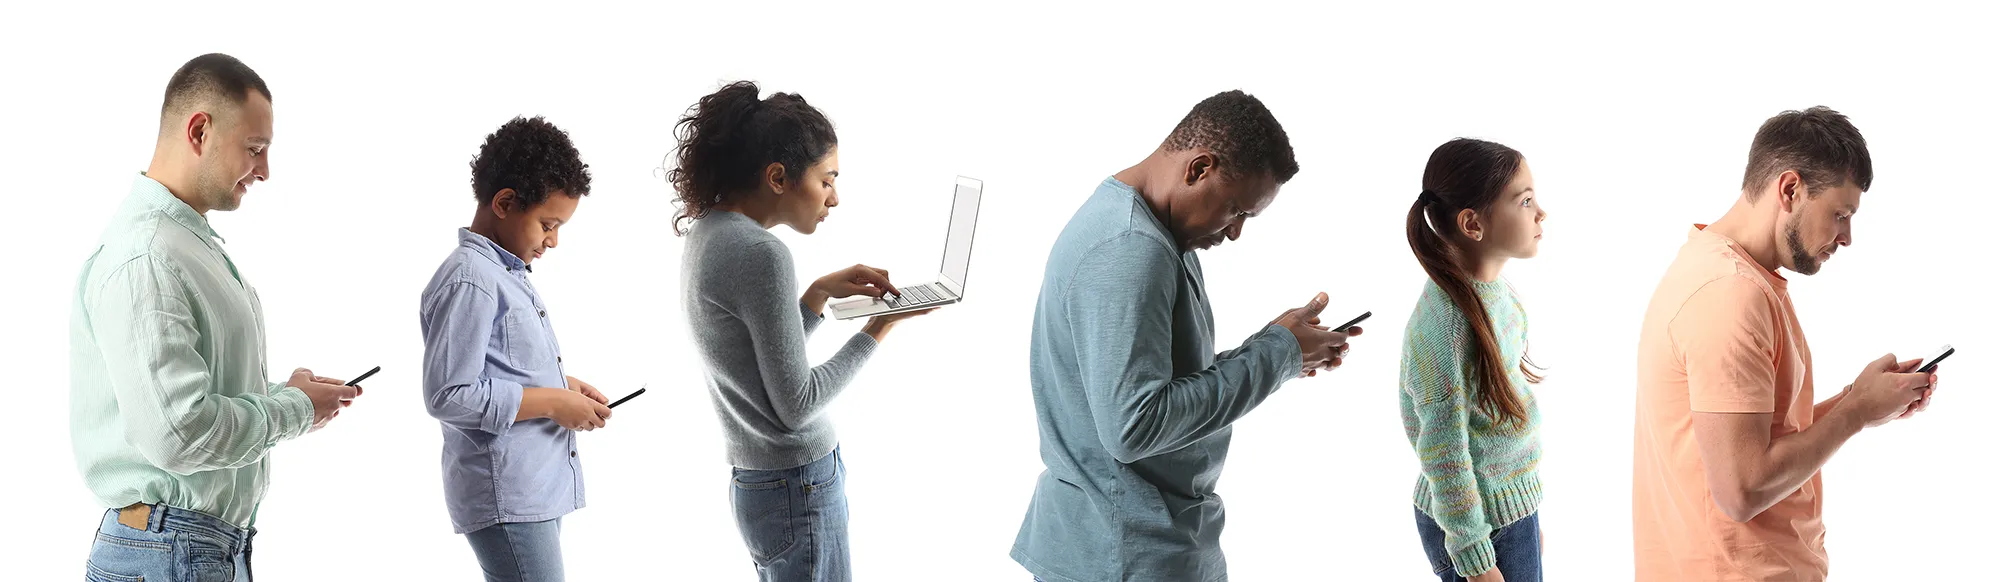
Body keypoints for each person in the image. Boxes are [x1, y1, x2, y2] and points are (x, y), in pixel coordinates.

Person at [1010, 90, 1358, 582]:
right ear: (1198, 168)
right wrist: (1275, 354)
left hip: (1128, 545)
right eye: (1237, 210)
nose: (1235, 232)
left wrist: (1283, 352)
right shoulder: (1130, 248)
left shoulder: (1142, 227)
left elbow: (1157, 381)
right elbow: (1136, 426)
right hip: (1126, 556)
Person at [71, 53, 362, 581]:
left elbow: (189, 402)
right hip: (170, 554)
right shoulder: (149, 256)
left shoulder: (183, 246)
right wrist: (294, 410)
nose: (265, 171)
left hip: (187, 550)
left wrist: (286, 396)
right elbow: (178, 434)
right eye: (255, 149)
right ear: (200, 130)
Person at [1632, 106, 1939, 581]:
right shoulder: (1728, 294)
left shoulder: (1729, 273)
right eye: (1841, 214)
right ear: (1791, 189)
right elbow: (1742, 490)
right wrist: (1855, 413)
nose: (1847, 237)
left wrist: (1860, 398)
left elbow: (1757, 441)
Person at [672, 80, 932, 582]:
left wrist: (815, 296)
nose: (835, 197)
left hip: (758, 484)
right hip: (799, 484)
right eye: (828, 179)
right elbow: (796, 403)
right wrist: (878, 328)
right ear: (777, 176)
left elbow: (753, 359)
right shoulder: (763, 255)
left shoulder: (708, 232)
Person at [418, 116, 611, 582]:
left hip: (533, 489)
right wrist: (553, 401)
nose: (554, 240)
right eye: (548, 224)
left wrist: (562, 386)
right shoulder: (472, 279)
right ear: (505, 202)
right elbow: (447, 394)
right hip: (507, 493)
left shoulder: (504, 274)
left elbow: (501, 368)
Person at [1398, 139, 1549, 582]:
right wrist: (1477, 559)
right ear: (1472, 224)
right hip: (1474, 525)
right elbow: (1444, 453)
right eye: (1524, 201)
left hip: (1508, 512)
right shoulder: (1444, 329)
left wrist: (1528, 514)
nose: (1541, 213)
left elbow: (1500, 421)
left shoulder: (1498, 297)